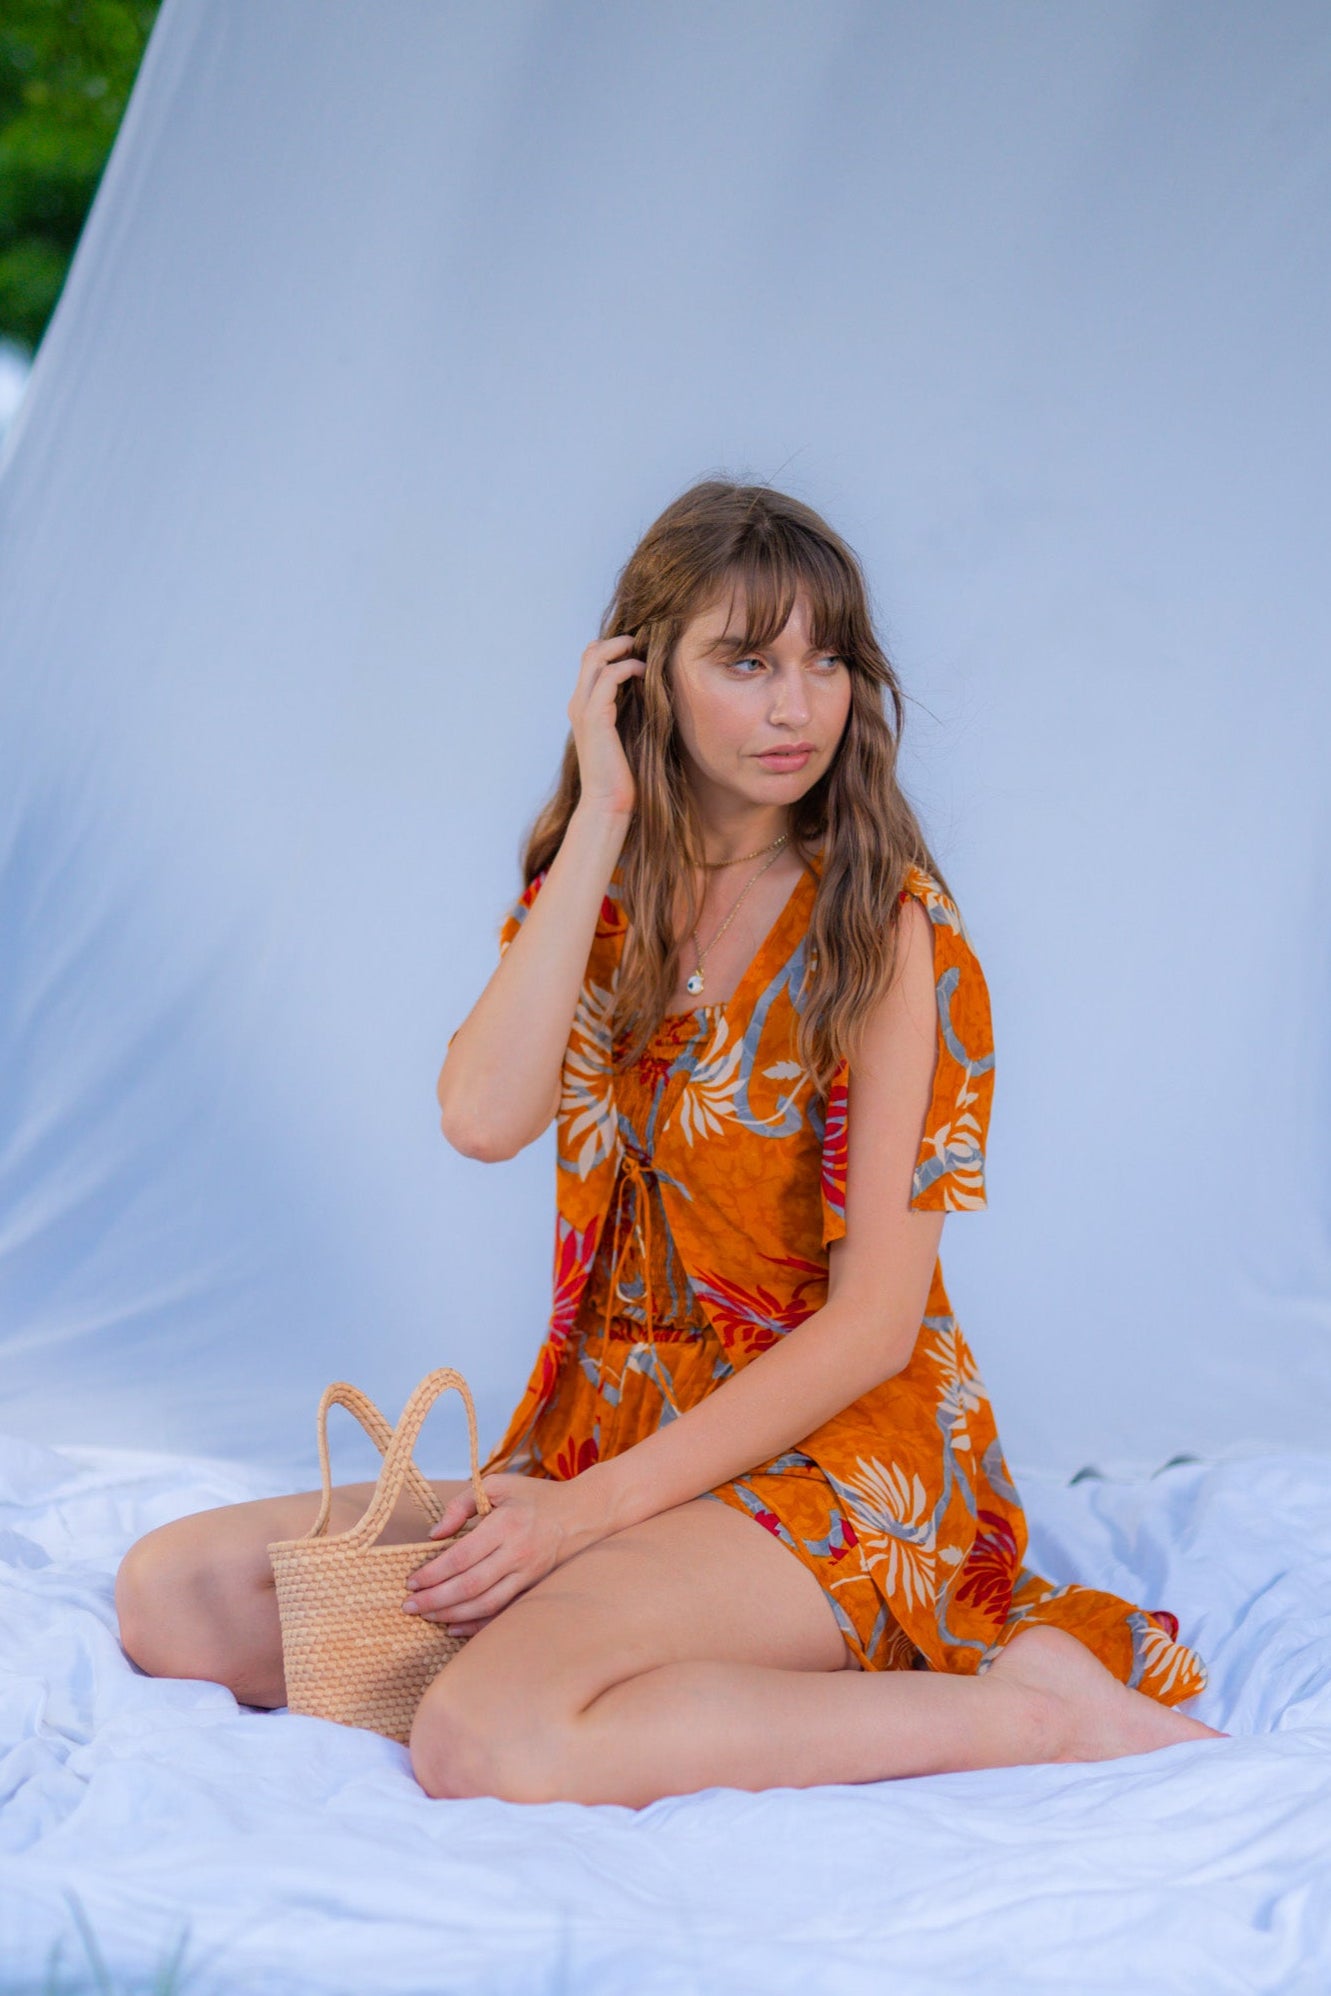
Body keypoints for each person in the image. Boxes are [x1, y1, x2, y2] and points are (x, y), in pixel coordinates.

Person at [115, 478, 1224, 1805]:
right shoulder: (597, 895)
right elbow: (481, 1117)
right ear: (644, 676)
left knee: (487, 1739)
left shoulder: (885, 933)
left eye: (825, 663)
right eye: (745, 662)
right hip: (611, 1437)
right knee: (179, 1601)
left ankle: (1023, 1714)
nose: (795, 706)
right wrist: (600, 815)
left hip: (836, 1464)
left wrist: (582, 1522)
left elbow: (876, 1328)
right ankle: (686, 1680)